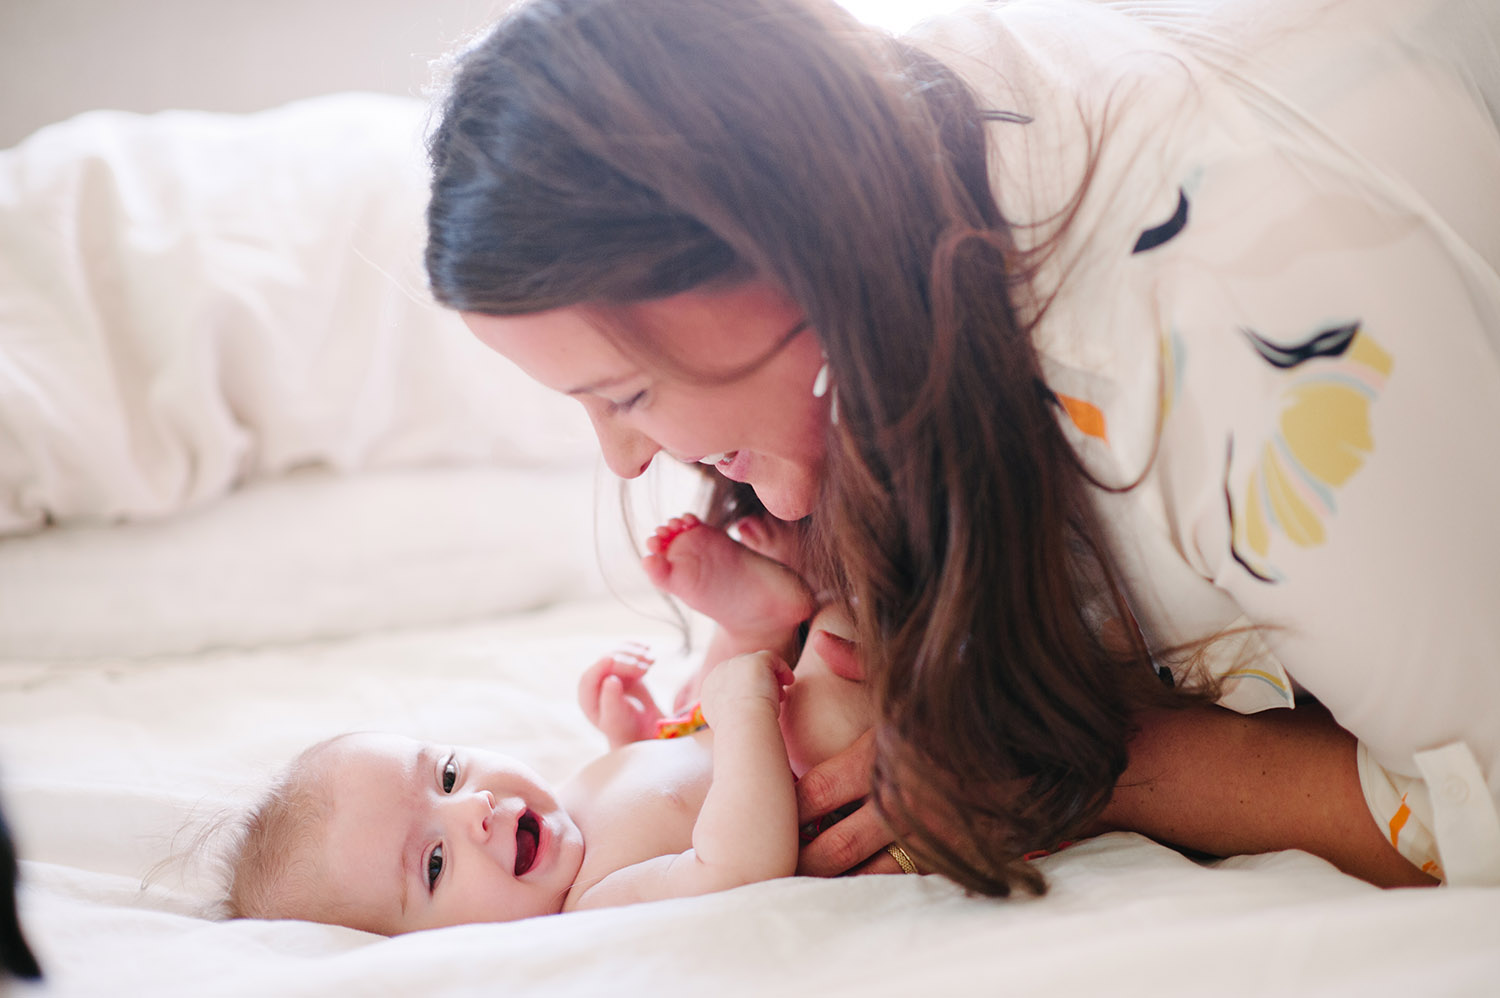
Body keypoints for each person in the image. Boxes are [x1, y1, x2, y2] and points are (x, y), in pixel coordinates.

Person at [423, 0, 1500, 893]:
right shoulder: (909, 166)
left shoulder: (1245, 343)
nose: (623, 459)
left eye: (626, 392)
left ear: (780, 255)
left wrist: (1085, 766)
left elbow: (1479, 805)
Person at [222, 517, 879, 932]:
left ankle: (755, 623)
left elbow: (671, 785)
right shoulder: (595, 902)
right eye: (435, 862)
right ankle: (805, 613)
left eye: (447, 776)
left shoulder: (565, 804)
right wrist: (743, 712)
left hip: (739, 722)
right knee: (825, 687)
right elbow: (735, 866)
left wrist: (635, 738)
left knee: (703, 690)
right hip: (810, 759)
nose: (474, 807)